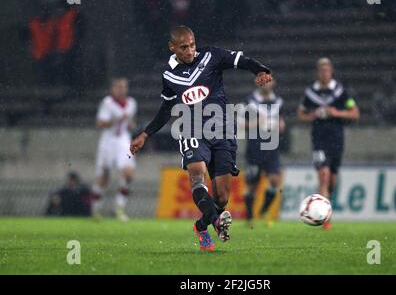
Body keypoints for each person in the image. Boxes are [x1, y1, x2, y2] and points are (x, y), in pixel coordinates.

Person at [130, 26, 273, 251]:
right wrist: (146, 134)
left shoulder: (211, 56)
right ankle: (216, 221)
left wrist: (260, 70)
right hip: (191, 127)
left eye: (192, 45)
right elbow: (167, 108)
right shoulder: (169, 74)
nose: (189, 51)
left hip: (222, 129)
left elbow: (241, 60)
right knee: (197, 173)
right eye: (184, 47)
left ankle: (202, 225)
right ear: (172, 47)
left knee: (222, 197)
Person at [297, 58, 359, 230]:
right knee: (323, 175)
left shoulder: (340, 92)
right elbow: (301, 114)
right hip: (319, 139)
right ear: (318, 73)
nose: (324, 74)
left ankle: (325, 205)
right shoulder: (311, 93)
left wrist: (336, 112)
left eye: (327, 71)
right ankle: (325, 218)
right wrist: (314, 115)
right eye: (321, 71)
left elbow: (354, 113)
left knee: (331, 180)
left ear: (331, 72)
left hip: (337, 139)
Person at [241, 80, 285, 228]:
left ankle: (264, 210)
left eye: (269, 80)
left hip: (272, 146)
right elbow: (238, 122)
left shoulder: (278, 101)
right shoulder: (249, 101)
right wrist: (254, 124)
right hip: (255, 147)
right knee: (253, 184)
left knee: (275, 179)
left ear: (273, 83)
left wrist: (281, 124)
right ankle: (249, 217)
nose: (266, 83)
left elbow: (281, 121)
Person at [92, 77, 137, 222]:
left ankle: (119, 208)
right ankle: (96, 209)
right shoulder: (107, 103)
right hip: (108, 141)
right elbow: (100, 123)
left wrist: (130, 125)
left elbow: (130, 122)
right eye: (118, 87)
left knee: (128, 173)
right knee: (103, 177)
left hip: (123, 140)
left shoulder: (131, 103)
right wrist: (116, 120)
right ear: (112, 89)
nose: (121, 90)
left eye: (123, 87)